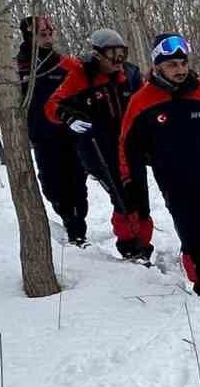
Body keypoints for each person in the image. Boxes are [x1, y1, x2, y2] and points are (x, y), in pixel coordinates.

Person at [119, 32, 200, 309]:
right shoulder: (142, 102)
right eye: (172, 65)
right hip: (177, 187)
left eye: (182, 63)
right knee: (194, 245)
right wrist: (129, 182)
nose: (180, 70)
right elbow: (127, 147)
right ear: (157, 66)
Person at [44, 27, 154, 262]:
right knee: (123, 197)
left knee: (140, 198)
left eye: (122, 54)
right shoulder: (81, 76)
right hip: (98, 150)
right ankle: (130, 247)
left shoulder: (131, 75)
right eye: (112, 55)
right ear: (97, 55)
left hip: (130, 147)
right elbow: (53, 104)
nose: (118, 61)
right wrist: (68, 116)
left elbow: (149, 98)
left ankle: (144, 245)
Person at [15, 15, 89, 245]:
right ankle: (67, 218)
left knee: (77, 183)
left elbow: (85, 80)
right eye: (42, 35)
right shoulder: (18, 66)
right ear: (30, 37)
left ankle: (78, 231)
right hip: (42, 136)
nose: (48, 39)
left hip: (69, 134)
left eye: (50, 34)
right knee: (52, 184)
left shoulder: (63, 62)